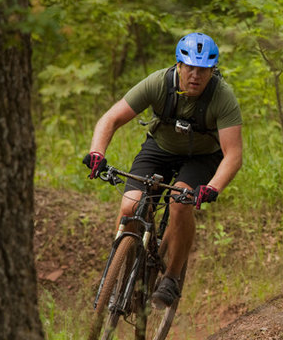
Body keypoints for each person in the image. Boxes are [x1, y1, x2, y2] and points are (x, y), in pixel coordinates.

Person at [83, 32, 243, 308]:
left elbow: (233, 154)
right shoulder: (159, 82)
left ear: (212, 71)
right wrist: (97, 152)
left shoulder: (222, 97)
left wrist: (212, 188)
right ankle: (122, 275)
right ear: (178, 66)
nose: (195, 75)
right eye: (190, 67)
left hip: (202, 157)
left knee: (180, 202)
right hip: (160, 149)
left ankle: (171, 275)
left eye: (203, 70)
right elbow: (111, 118)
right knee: (130, 207)